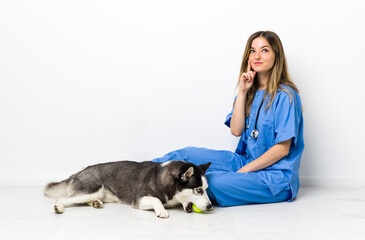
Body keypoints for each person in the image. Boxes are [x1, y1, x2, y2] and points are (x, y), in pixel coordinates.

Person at [152, 31, 304, 207]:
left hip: (275, 177)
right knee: (185, 155)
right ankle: (141, 175)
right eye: (252, 51)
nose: (257, 56)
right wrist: (242, 91)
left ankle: (167, 192)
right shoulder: (250, 90)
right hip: (246, 160)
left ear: (276, 56)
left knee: (212, 182)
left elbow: (282, 150)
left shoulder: (286, 96)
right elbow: (236, 130)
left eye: (264, 50)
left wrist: (243, 173)